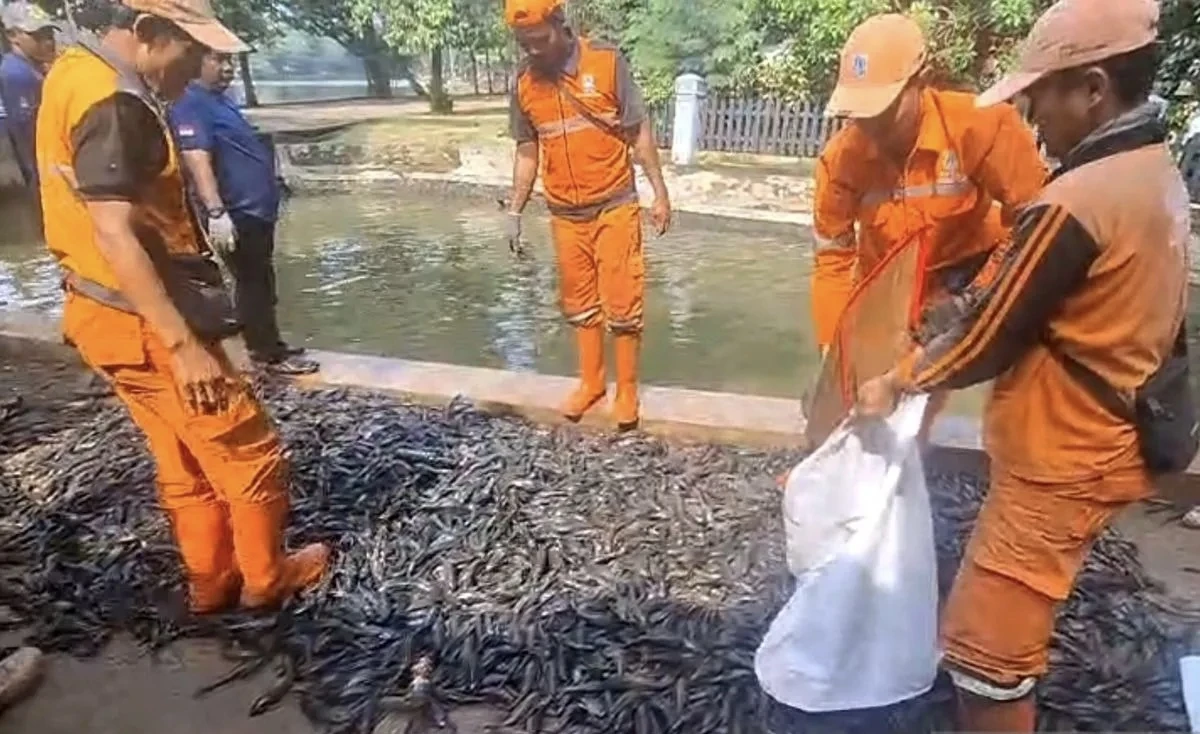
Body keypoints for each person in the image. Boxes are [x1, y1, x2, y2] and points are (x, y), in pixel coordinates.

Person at [855, 0, 1185, 729]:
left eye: (1041, 94)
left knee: (983, 655)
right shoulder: (1151, 169)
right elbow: (1031, 289)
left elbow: (988, 341)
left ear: (1093, 88)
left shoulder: (1078, 198)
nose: (1032, 115)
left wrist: (897, 378)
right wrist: (966, 303)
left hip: (1065, 454)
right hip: (1113, 429)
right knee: (1009, 621)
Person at [36, 0, 330, 615]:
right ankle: (265, 578)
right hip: (145, 321)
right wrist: (184, 343)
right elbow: (115, 230)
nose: (199, 65)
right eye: (191, 50)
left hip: (97, 313)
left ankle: (210, 582)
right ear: (147, 33)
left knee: (183, 455)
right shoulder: (116, 99)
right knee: (248, 449)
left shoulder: (70, 71)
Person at [811, 13, 1046, 444]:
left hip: (970, 268)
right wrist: (833, 346)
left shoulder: (980, 124)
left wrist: (977, 295)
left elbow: (1034, 219)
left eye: (882, 113)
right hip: (888, 279)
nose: (871, 129)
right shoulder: (840, 160)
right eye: (859, 116)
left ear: (921, 81)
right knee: (866, 393)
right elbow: (832, 259)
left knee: (937, 380)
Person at [505, 0, 672, 432]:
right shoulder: (524, 82)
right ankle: (591, 383)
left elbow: (638, 130)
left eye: (539, 40)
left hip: (614, 203)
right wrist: (515, 210)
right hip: (564, 211)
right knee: (578, 303)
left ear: (560, 25)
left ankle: (628, 389)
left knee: (623, 299)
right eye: (525, 44)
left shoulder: (607, 60)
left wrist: (660, 193)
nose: (534, 51)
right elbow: (527, 151)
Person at [169, 49, 317, 376]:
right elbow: (196, 158)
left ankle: (268, 343)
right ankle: (265, 353)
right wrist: (216, 211)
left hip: (256, 210)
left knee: (261, 279)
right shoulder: (190, 103)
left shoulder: (221, 101)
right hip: (236, 213)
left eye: (229, 62)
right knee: (252, 281)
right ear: (195, 62)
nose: (227, 68)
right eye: (217, 61)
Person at [1, 1, 58, 229]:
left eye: (49, 33)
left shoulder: (35, 70)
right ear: (13, 36)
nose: (47, 41)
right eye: (37, 35)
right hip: (32, 183)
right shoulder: (16, 75)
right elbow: (28, 138)